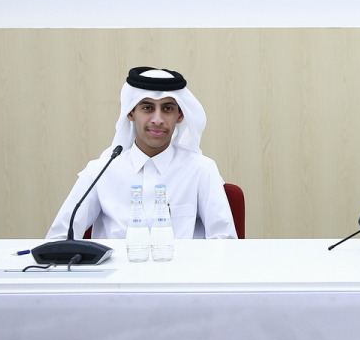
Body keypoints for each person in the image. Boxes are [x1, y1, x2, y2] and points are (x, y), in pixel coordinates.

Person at [46, 66, 236, 240]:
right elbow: (60, 238)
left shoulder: (201, 170)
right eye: (147, 108)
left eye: (168, 109)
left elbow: (225, 241)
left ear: (179, 116)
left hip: (180, 276)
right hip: (117, 276)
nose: (157, 119)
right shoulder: (101, 171)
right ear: (130, 113)